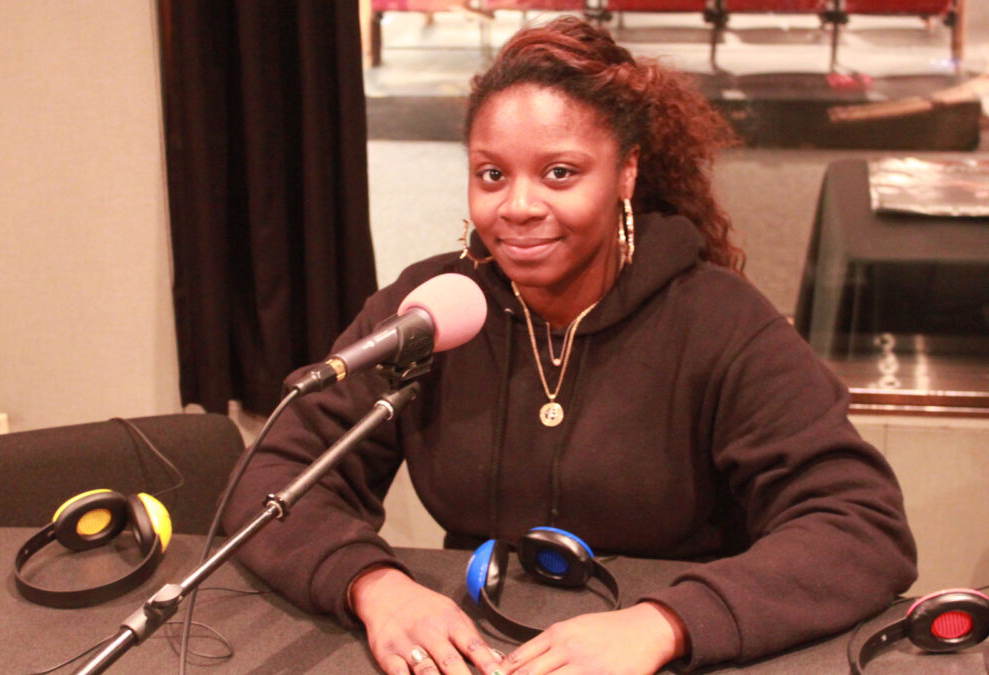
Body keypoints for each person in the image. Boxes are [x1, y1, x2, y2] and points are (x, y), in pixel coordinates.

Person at [224, 17, 917, 675]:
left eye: (559, 173)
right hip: (479, 650)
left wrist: (668, 622)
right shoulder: (431, 309)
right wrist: (374, 585)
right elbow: (275, 478)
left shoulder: (720, 321)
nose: (518, 206)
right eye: (492, 174)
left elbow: (859, 524)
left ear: (626, 173)